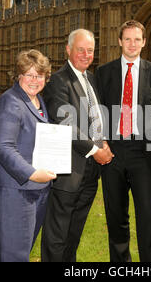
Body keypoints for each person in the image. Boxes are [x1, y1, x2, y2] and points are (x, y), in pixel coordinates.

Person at [96, 20, 151, 262]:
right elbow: (96, 114)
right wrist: (101, 144)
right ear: (119, 41)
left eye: (137, 39)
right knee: (116, 218)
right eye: (127, 39)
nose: (132, 44)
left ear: (144, 42)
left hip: (143, 154)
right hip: (113, 153)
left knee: (148, 217)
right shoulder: (104, 72)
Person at [41, 29, 114, 262]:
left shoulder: (91, 79)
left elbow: (95, 118)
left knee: (74, 235)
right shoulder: (58, 80)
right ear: (68, 50)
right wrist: (95, 150)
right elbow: (66, 122)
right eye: (80, 49)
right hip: (68, 171)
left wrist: (104, 143)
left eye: (90, 50)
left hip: (91, 172)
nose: (85, 54)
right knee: (57, 237)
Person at [0, 49, 56, 262]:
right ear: (18, 76)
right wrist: (32, 173)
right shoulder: (11, 101)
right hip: (15, 192)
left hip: (36, 191)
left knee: (18, 254)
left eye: (40, 75)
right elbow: (2, 146)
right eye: (29, 74)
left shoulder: (38, 101)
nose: (34, 80)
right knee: (14, 256)